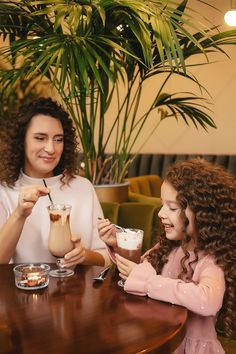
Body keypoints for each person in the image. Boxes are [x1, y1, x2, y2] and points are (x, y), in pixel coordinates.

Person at [98, 159, 236, 354]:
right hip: (162, 340)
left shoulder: (210, 259)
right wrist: (116, 244)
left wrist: (148, 283)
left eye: (172, 207)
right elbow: (138, 272)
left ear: (202, 212)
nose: (161, 213)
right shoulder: (168, 247)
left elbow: (208, 301)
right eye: (162, 205)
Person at [0, 97, 110, 267]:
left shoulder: (82, 187)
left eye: (58, 139)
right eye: (40, 138)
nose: (51, 148)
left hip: (77, 291)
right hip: (25, 291)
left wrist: (84, 255)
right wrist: (19, 214)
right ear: (21, 141)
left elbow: (107, 258)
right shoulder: (5, 191)